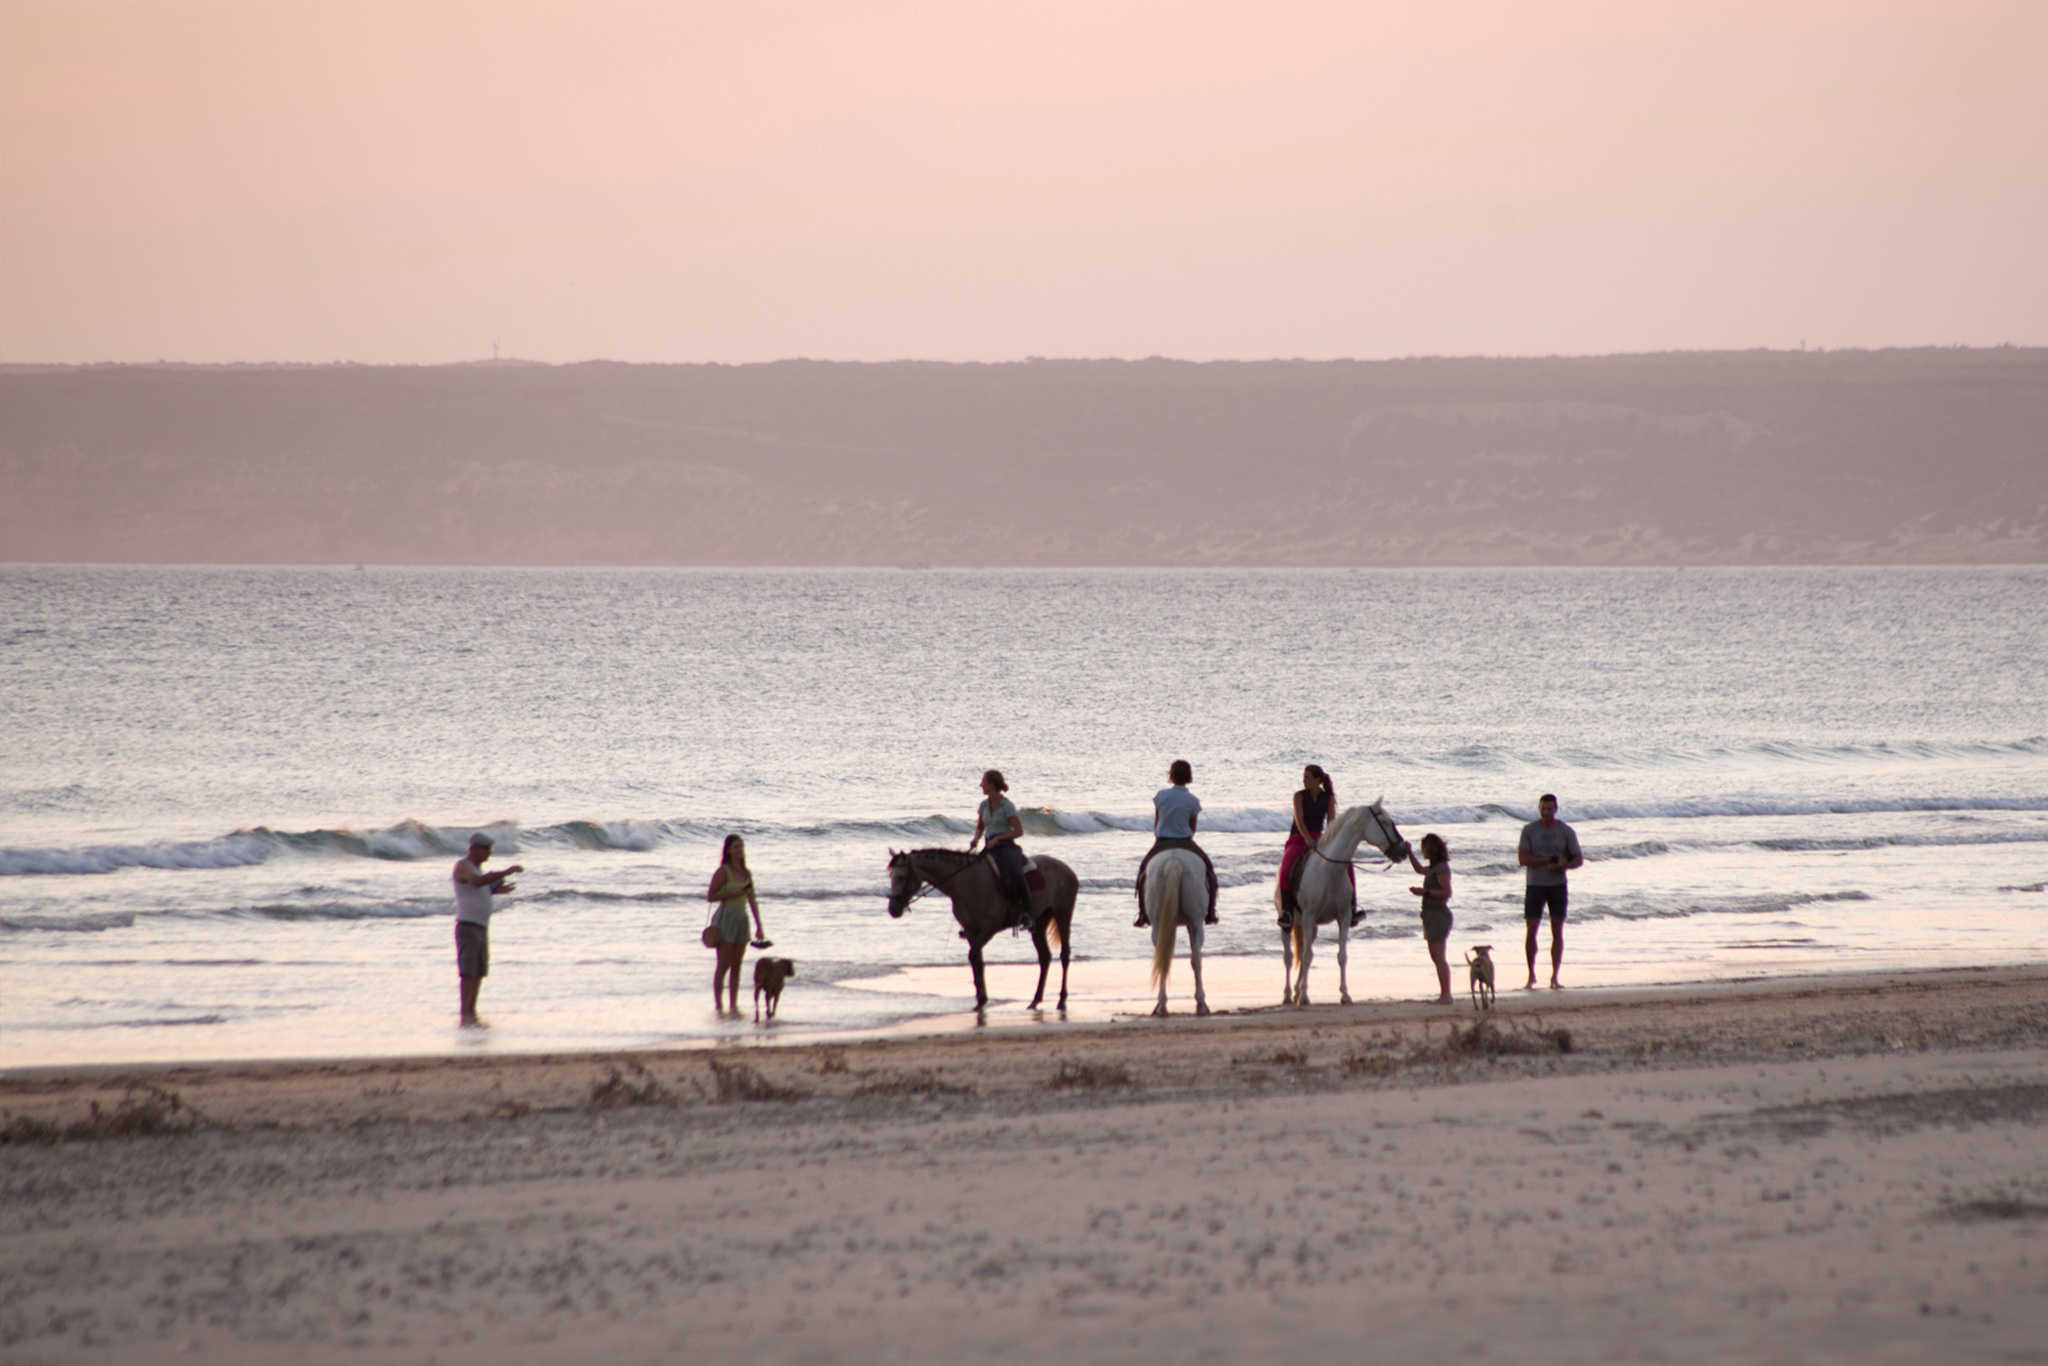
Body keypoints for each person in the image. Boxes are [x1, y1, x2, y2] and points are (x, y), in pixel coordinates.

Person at [1133, 759, 1219, 927]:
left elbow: (1157, 822)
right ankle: (1210, 912)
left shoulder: (1161, 796)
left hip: (1162, 841)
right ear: (1189, 776)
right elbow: (1192, 828)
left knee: (1143, 873)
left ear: (1170, 776)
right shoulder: (1193, 801)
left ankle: (1143, 913)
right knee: (1210, 873)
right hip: (1186, 842)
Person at [452, 832, 523, 1026]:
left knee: (478, 971)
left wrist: (495, 889)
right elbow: (476, 882)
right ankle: (465, 1011)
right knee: (468, 971)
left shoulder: (478, 871)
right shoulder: (464, 866)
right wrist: (504, 872)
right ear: (474, 848)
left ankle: (472, 1011)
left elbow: (480, 888)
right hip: (468, 926)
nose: (489, 855)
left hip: (481, 927)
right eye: (486, 851)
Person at [1517, 793, 1583, 989]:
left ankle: (1554, 977)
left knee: (1557, 930)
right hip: (1535, 885)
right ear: (1539, 809)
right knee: (1531, 930)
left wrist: (1564, 864)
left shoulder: (1566, 831)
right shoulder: (1529, 830)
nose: (1546, 812)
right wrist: (1549, 860)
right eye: (1543, 808)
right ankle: (1531, 975)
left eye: (1550, 809)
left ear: (1556, 809)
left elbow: (1578, 859)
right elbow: (1523, 859)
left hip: (1558, 886)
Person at [1276, 764, 1352, 927]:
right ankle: (1287, 911)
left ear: (1318, 780)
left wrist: (1332, 840)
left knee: (1347, 864)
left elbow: (1331, 822)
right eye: (1303, 778)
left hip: (1319, 838)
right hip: (1298, 838)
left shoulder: (1328, 798)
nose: (1304, 781)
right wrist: (1307, 838)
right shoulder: (1299, 796)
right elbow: (1299, 820)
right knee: (1286, 867)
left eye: (1308, 778)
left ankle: (1352, 906)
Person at [705, 834, 766, 1013]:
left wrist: (759, 925)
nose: (740, 850)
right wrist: (732, 894)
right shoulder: (723, 871)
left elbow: (752, 899)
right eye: (736, 847)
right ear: (729, 851)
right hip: (726, 917)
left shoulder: (747, 873)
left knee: (737, 964)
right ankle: (718, 1005)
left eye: (741, 846)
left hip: (741, 917)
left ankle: (733, 1004)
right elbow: (710, 896)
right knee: (724, 964)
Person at [969, 769, 1032, 930]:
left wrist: (998, 838)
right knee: (973, 875)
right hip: (990, 847)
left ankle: (1028, 915)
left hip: (1006, 847)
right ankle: (972, 919)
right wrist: (976, 839)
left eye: (983, 781)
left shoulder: (1007, 805)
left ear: (991, 784)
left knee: (1017, 875)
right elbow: (980, 827)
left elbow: (1018, 831)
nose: (980, 785)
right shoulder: (983, 805)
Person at [1407, 833, 1454, 1003]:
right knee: (1436, 957)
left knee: (1439, 957)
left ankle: (1446, 995)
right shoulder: (1435, 867)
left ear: (1431, 849)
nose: (1423, 852)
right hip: (1431, 915)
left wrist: (1424, 892)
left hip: (1438, 915)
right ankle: (1445, 993)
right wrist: (1409, 853)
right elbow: (1419, 869)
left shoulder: (1441, 868)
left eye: (1424, 849)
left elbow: (1446, 892)